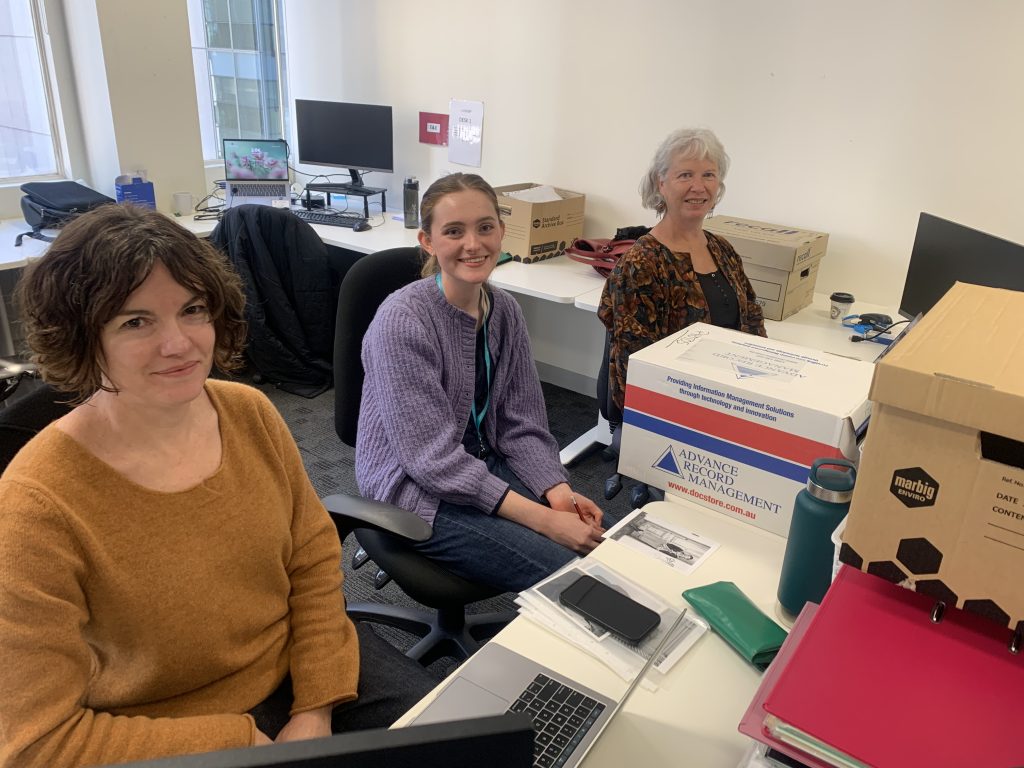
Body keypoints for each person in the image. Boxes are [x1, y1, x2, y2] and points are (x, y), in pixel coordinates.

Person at [0, 205, 434, 768]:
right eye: (136, 321)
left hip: (299, 664)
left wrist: (317, 704)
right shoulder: (36, 505)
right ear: (83, 339)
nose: (179, 343)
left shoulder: (247, 412)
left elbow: (311, 559)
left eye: (192, 309)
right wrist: (238, 743)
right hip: (162, 728)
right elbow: (37, 743)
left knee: (467, 742)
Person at [357, 173, 612, 594]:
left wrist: (557, 491)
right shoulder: (402, 322)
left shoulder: (505, 311)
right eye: (454, 231)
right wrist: (545, 519)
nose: (473, 244)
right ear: (427, 241)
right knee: (574, 577)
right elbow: (431, 461)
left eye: (485, 227)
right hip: (414, 486)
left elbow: (522, 423)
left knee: (604, 545)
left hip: (480, 460)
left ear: (502, 232)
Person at [599, 128, 766, 413]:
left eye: (708, 175)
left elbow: (752, 322)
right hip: (672, 410)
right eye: (685, 175)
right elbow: (634, 366)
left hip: (729, 398)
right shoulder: (641, 262)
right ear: (661, 183)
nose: (698, 187)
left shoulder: (721, 249)